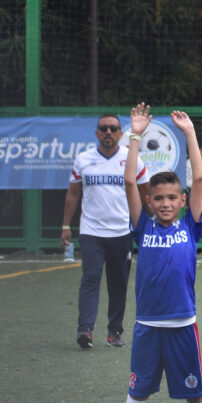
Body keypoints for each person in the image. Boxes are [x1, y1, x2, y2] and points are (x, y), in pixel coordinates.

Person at [112, 103, 202, 403]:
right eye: (159, 198)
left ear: (182, 201)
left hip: (183, 325)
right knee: (137, 396)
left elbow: (200, 178)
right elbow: (128, 181)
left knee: (195, 397)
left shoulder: (192, 225)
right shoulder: (142, 226)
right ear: (150, 202)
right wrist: (135, 135)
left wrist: (189, 134)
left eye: (173, 197)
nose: (166, 203)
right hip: (146, 327)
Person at [61, 114, 149, 349]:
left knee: (118, 283)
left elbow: (144, 195)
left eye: (113, 128)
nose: (108, 132)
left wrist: (145, 226)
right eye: (104, 128)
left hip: (122, 232)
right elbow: (73, 194)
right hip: (91, 231)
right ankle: (85, 330)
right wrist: (65, 225)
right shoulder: (83, 160)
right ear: (97, 133)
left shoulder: (132, 160)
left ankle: (114, 332)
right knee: (90, 279)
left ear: (121, 133)